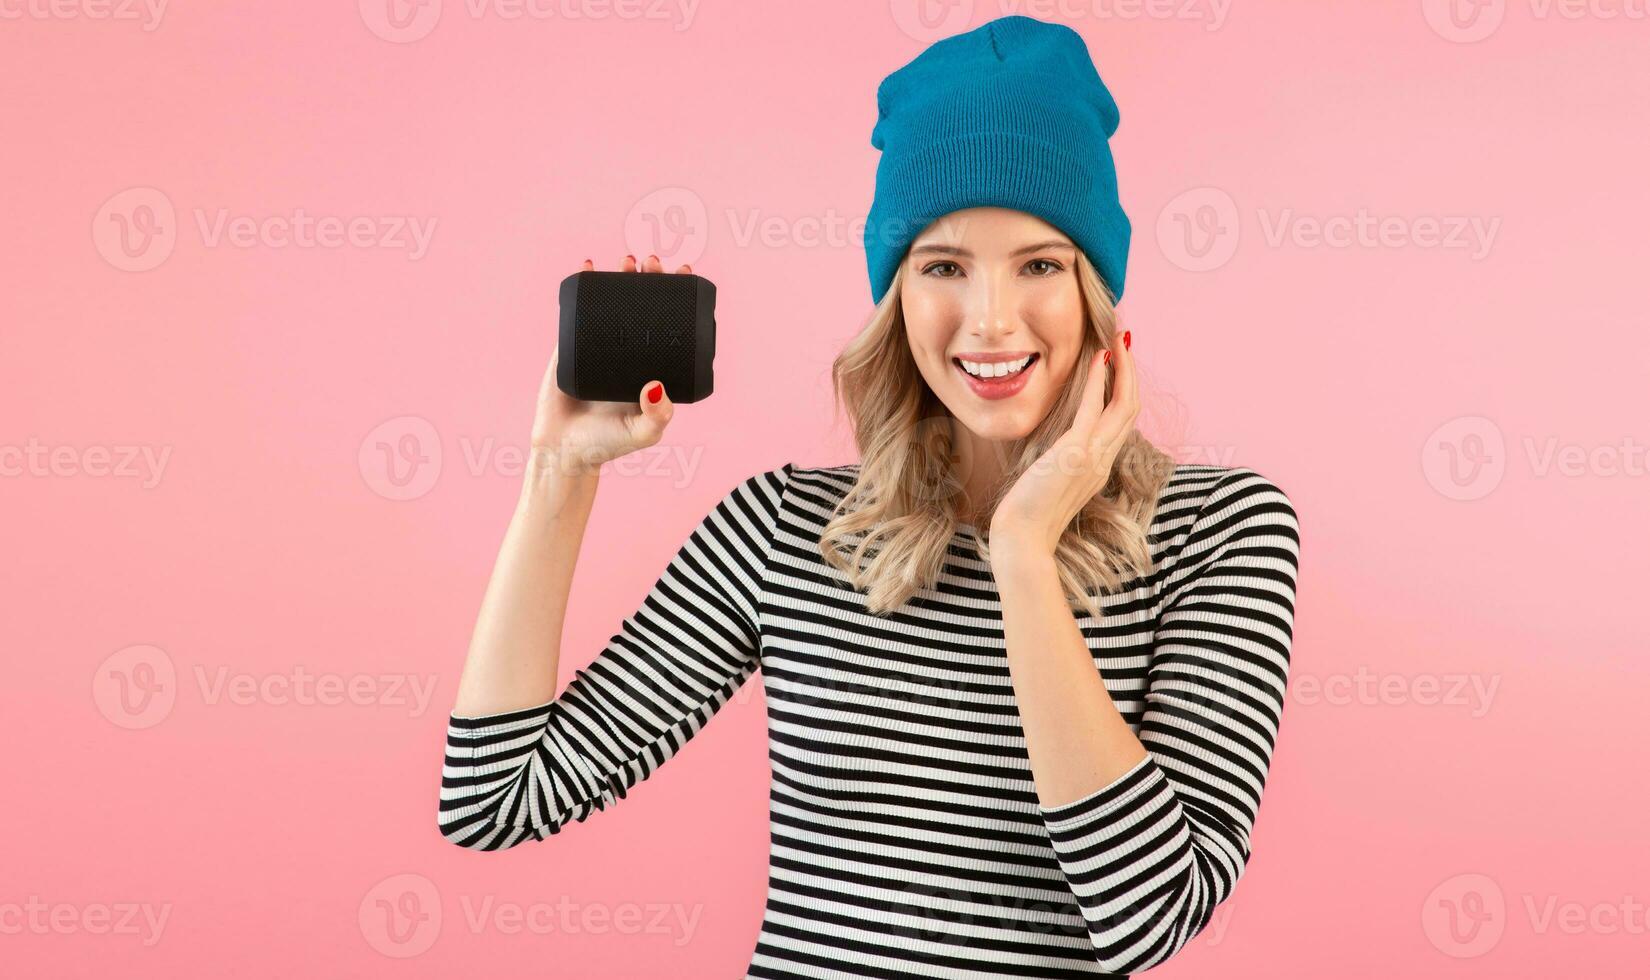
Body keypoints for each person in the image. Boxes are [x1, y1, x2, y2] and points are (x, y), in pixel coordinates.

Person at [438, 14, 1300, 979]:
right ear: (895, 295)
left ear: (1096, 289)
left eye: (1041, 265)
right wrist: (560, 476)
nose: (990, 320)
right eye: (941, 266)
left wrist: (1022, 552)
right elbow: (492, 801)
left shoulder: (1221, 532)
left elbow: (1146, 920)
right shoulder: (784, 528)